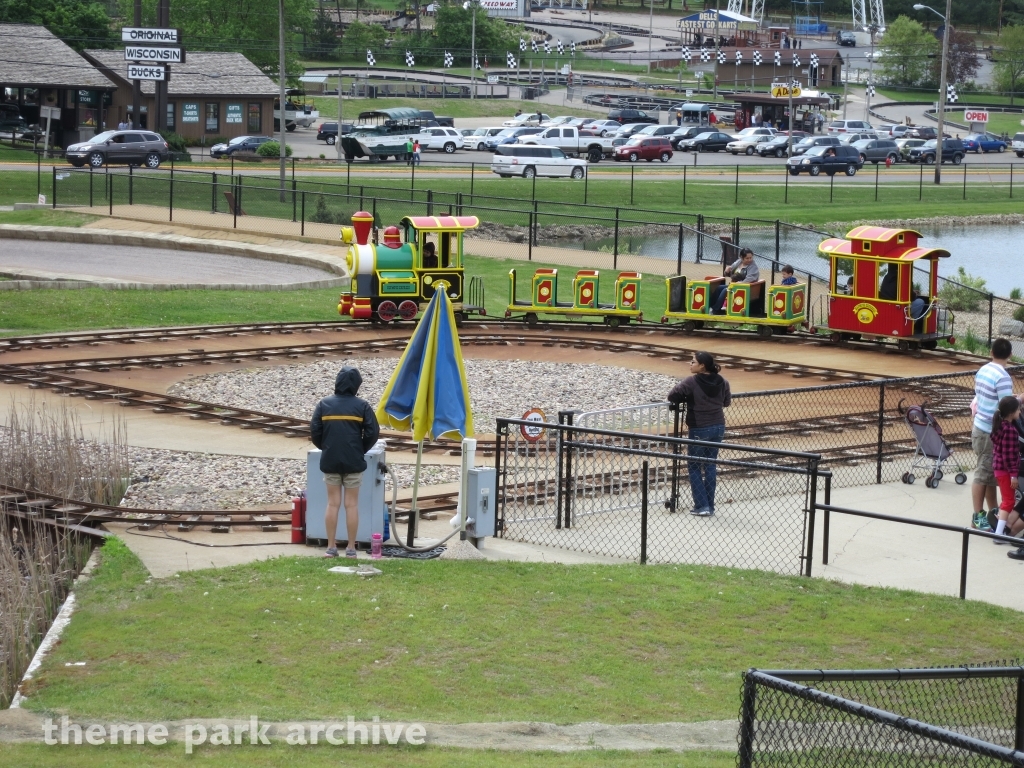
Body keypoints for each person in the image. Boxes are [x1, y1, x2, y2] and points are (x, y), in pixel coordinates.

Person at [310, 367, 380, 559]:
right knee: (352, 505)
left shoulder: (324, 404)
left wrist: (326, 447)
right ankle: (350, 548)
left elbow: (315, 431)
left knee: (333, 504)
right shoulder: (362, 406)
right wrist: (360, 449)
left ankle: (331, 547)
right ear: (356, 385)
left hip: (330, 460)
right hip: (353, 461)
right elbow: (373, 432)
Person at [667, 352, 732, 516]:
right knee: (710, 464)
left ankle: (702, 506)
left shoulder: (691, 381)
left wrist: (688, 398)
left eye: (693, 362)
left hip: (699, 428)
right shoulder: (723, 381)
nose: (690, 364)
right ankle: (709, 506)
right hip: (718, 426)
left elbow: (672, 395)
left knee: (694, 466)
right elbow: (726, 402)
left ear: (702, 365)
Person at [972, 338, 1014, 532]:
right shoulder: (1003, 377)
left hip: (979, 427)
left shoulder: (983, 370)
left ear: (991, 352)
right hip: (990, 431)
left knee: (989, 473)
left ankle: (992, 511)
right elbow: (1005, 407)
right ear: (1010, 355)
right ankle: (978, 516)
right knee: (983, 474)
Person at [991, 395, 1021, 544]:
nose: (1020, 412)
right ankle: (999, 534)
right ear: (1011, 412)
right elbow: (1008, 455)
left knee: (1006, 500)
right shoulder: (1010, 430)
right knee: (1009, 501)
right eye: (1018, 409)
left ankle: (999, 527)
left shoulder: (1000, 426)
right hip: (1006, 471)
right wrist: (1013, 475)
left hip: (999, 469)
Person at [711, 248, 760, 315]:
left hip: (744, 288)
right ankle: (711, 306)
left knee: (726, 290)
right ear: (741, 257)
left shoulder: (753, 267)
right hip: (734, 285)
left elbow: (751, 278)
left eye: (750, 258)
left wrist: (742, 283)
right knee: (719, 288)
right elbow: (730, 273)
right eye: (747, 258)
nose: (749, 260)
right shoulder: (739, 262)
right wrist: (727, 271)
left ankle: (715, 309)